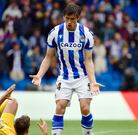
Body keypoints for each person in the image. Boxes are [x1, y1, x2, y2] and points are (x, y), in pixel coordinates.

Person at [30, 3, 103, 135]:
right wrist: (39, 75)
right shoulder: (55, 33)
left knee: (85, 108)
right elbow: (48, 57)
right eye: (67, 18)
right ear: (64, 17)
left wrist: (93, 82)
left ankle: (87, 133)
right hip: (64, 77)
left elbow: (88, 60)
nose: (69, 22)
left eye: (73, 19)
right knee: (60, 106)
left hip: (83, 77)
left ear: (78, 18)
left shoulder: (87, 34)